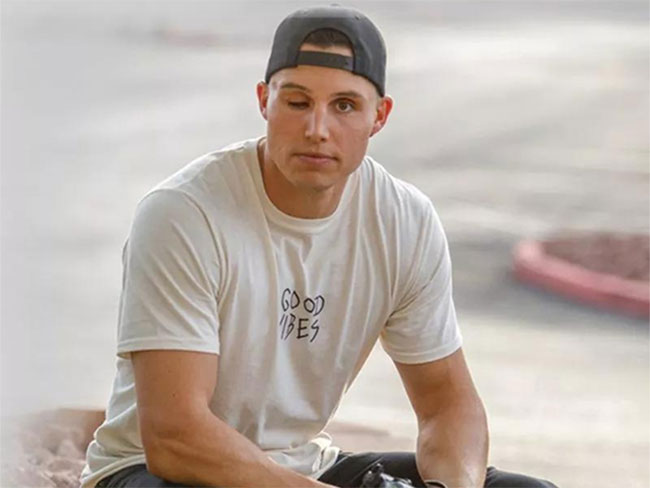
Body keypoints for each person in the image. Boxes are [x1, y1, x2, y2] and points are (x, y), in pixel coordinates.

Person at [81, 5, 558, 488]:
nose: (317, 129)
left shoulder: (404, 220)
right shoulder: (184, 214)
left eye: (345, 106)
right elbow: (175, 437)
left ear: (380, 116)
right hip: (156, 471)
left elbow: (447, 405)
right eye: (297, 102)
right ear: (264, 101)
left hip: (303, 469)